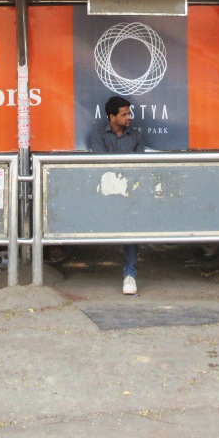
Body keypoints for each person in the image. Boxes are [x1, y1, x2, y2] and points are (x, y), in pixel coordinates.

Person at [90, 95, 144, 295]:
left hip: (129, 195)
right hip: (104, 194)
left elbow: (138, 168)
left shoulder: (136, 136)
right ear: (112, 117)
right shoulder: (97, 135)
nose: (129, 117)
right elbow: (100, 167)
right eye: (124, 114)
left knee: (130, 223)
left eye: (129, 113)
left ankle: (130, 274)